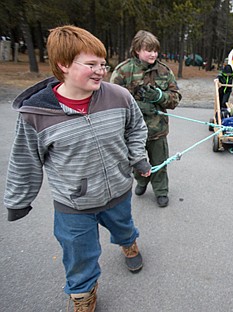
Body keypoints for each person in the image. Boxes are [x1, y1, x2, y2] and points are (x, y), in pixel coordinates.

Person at [3, 25, 152, 312]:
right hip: (73, 205)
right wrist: (19, 201)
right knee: (79, 255)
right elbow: (25, 159)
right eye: (91, 64)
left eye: (102, 64)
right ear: (64, 65)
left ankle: (128, 243)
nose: (100, 71)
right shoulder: (36, 114)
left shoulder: (119, 96)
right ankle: (83, 296)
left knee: (124, 227)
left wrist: (138, 158)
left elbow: (136, 128)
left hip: (119, 191)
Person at [110, 30, 181, 208]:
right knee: (137, 163)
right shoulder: (123, 71)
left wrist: (159, 96)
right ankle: (141, 182)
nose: (153, 54)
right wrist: (138, 107)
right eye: (148, 50)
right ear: (136, 50)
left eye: (155, 50)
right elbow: (111, 101)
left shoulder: (164, 71)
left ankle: (161, 191)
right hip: (133, 133)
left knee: (160, 162)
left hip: (158, 130)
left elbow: (175, 98)